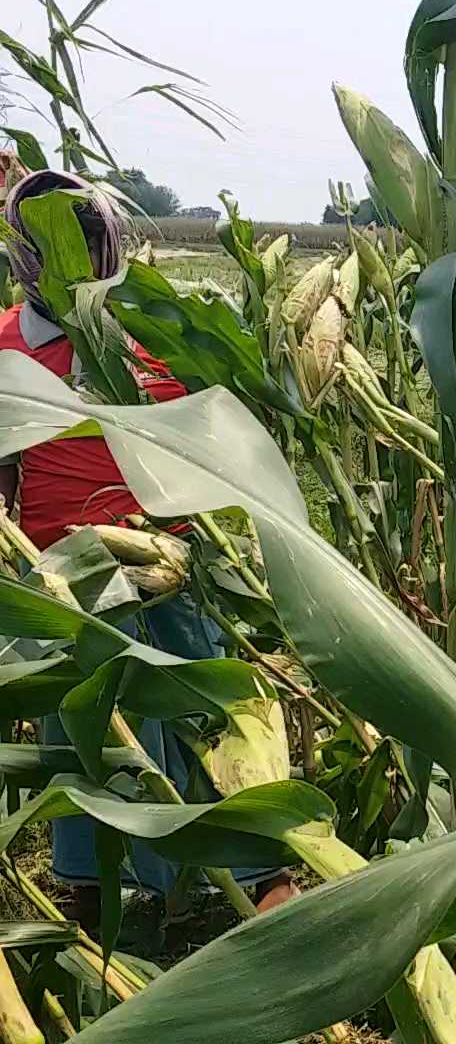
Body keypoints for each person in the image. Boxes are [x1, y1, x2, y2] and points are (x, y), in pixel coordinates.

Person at [0, 170, 299, 922]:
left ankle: (259, 876)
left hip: (171, 561)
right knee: (91, 736)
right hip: (64, 577)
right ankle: (95, 893)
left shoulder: (153, 333)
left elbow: (215, 443)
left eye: (84, 238)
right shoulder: (7, 349)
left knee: (206, 707)